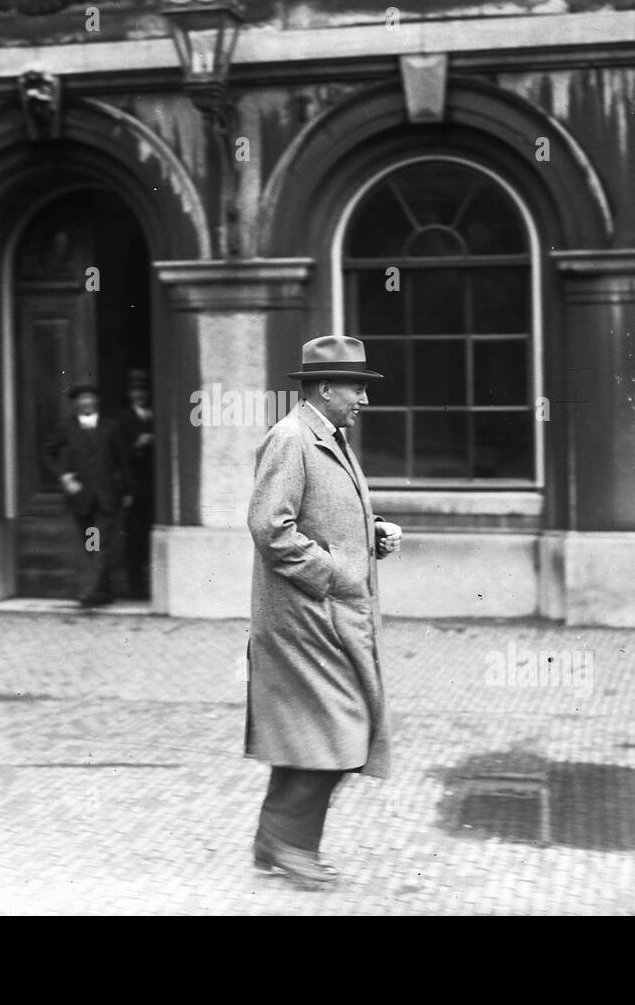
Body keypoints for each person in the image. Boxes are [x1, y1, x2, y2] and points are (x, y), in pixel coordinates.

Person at [245, 335, 403, 889]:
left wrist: (371, 534)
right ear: (325, 387)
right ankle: (291, 845)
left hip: (325, 616)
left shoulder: (326, 435)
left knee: (311, 731)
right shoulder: (292, 439)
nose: (363, 398)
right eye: (356, 387)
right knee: (340, 728)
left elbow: (322, 518)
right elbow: (271, 527)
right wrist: (335, 572)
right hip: (304, 619)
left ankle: (276, 841)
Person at [43, 382, 132, 608]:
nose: (86, 403)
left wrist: (129, 490)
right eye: (81, 400)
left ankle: (87, 591)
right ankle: (104, 593)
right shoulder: (67, 427)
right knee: (91, 546)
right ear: (76, 404)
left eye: (90, 399)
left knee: (97, 544)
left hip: (107, 497)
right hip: (81, 498)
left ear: (96, 402)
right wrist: (64, 477)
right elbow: (47, 452)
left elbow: (124, 460)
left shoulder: (111, 426)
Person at [117, 368, 154, 600]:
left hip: (153, 487)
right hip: (134, 488)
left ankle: (149, 584)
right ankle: (134, 586)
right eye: (134, 391)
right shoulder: (123, 418)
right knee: (134, 537)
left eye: (141, 391)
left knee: (148, 535)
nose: (138, 395)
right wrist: (137, 444)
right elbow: (119, 454)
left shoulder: (154, 415)